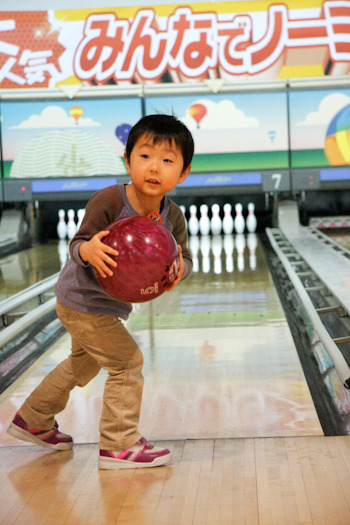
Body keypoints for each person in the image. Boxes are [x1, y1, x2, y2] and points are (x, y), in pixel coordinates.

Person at [7, 114, 194, 469]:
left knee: (82, 365)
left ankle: (33, 419)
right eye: (144, 157)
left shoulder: (174, 217)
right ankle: (118, 444)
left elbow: (184, 258)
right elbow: (77, 244)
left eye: (167, 161)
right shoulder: (109, 200)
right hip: (81, 300)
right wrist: (89, 250)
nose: (154, 168)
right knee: (127, 363)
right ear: (128, 161)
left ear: (183, 173)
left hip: (106, 306)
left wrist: (179, 269)